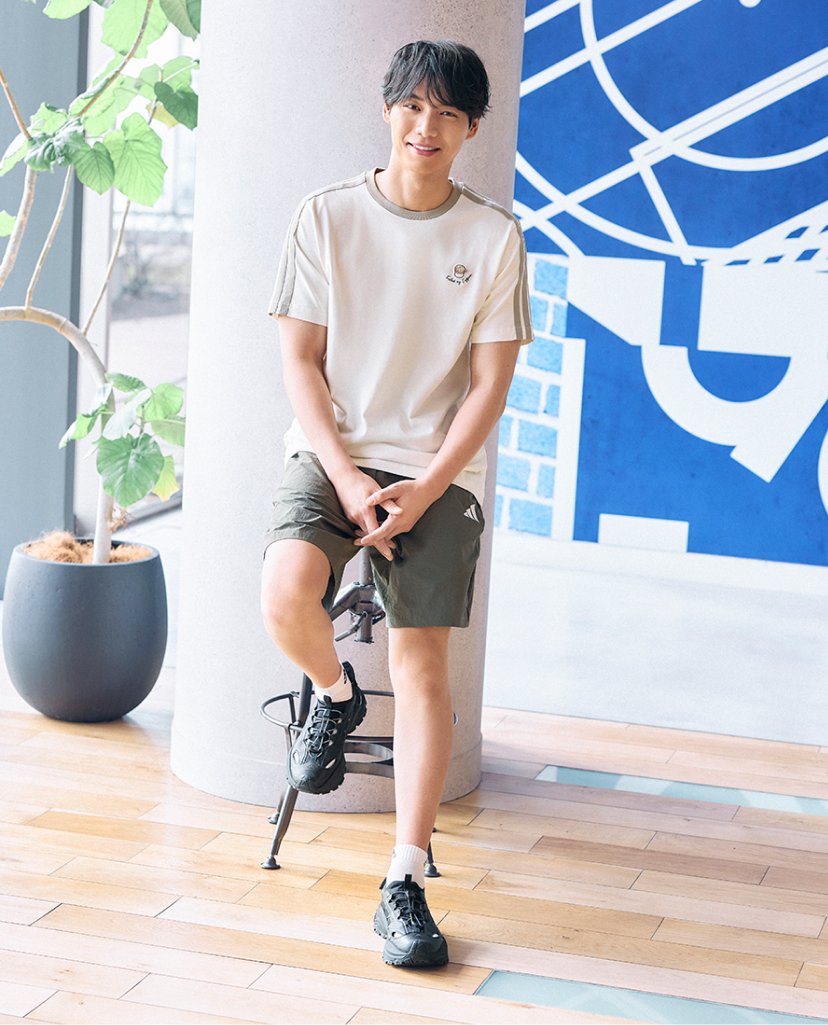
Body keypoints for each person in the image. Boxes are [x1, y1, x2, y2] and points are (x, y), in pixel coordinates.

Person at [260, 39, 532, 969]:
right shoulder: (326, 216)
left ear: (471, 129)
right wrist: (345, 477)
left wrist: (431, 485)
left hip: (437, 470)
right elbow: (300, 361)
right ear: (387, 111)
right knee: (286, 591)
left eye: (449, 113)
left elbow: (490, 386)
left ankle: (404, 881)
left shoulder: (494, 238)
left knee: (421, 669)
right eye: (413, 106)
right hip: (333, 453)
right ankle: (335, 698)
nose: (428, 126)